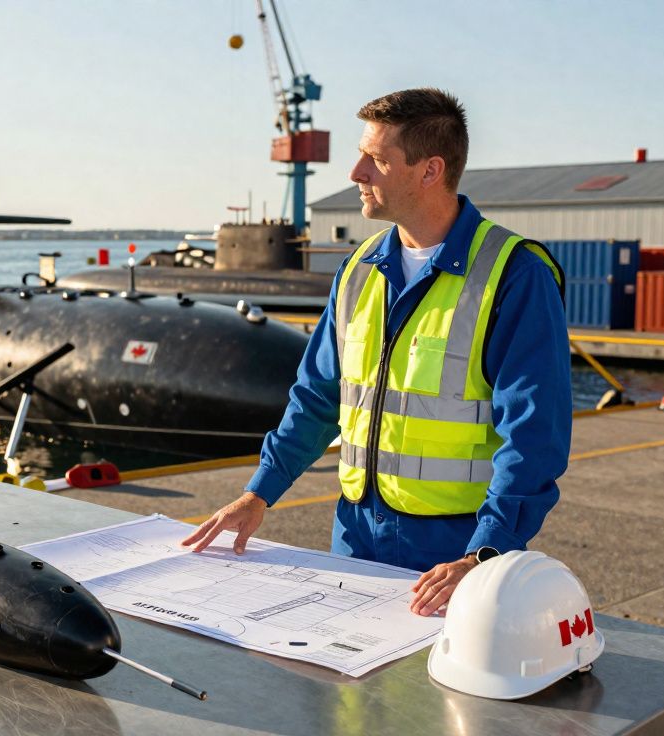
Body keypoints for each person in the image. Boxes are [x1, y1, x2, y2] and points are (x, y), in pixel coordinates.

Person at [181, 88, 571, 617]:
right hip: (355, 538)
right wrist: (259, 494)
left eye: (377, 159)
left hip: (455, 557)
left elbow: (534, 437)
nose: (356, 171)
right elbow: (317, 398)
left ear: (430, 171)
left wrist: (486, 553)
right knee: (350, 698)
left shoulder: (515, 275)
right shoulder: (359, 268)